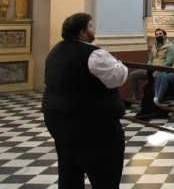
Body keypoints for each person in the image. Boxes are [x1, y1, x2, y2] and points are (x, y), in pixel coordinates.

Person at [42, 13, 128, 188]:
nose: (93, 29)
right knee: (105, 174)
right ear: (82, 32)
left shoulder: (56, 50)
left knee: (69, 171)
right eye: (90, 26)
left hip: (59, 120)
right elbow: (117, 77)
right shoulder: (94, 54)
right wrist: (118, 63)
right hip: (92, 125)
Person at [129, 28, 174, 100]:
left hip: (163, 69)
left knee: (155, 75)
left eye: (160, 34)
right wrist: (148, 67)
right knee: (133, 75)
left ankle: (152, 97)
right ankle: (136, 96)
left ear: (165, 35)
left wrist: (157, 69)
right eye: (156, 35)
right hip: (152, 68)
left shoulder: (170, 46)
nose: (158, 36)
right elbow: (150, 59)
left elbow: (169, 62)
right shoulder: (154, 46)